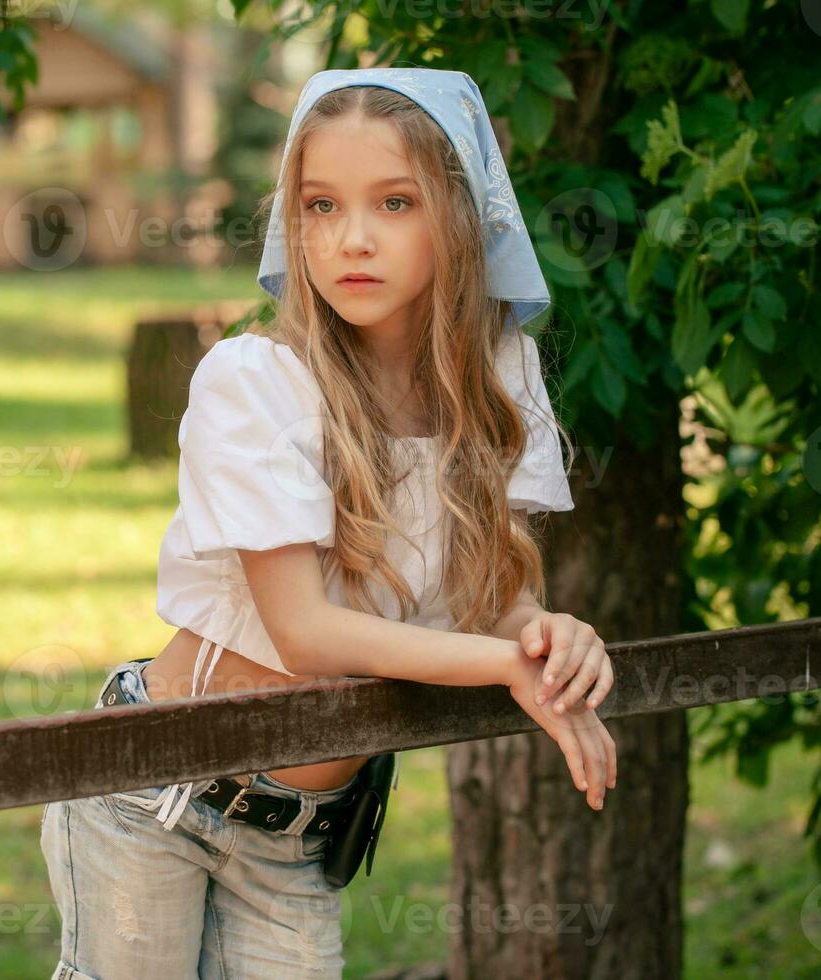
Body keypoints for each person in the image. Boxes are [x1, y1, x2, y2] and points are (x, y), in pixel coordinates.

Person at [39, 67, 619, 979]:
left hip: (301, 837)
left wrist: (548, 637)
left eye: (395, 202)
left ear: (460, 220)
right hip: (158, 797)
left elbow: (492, 603)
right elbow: (305, 635)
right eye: (319, 206)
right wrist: (508, 664)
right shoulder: (258, 381)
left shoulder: (499, 382)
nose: (352, 238)